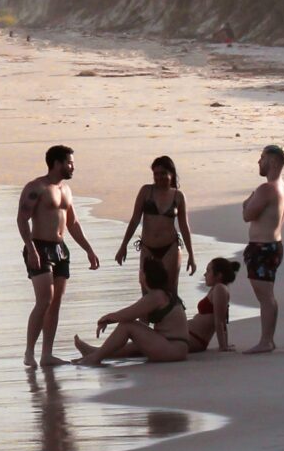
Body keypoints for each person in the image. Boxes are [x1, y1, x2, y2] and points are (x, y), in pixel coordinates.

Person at [17, 144, 101, 367]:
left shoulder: (66, 190)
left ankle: (47, 354)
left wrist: (88, 249)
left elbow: (72, 223)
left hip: (60, 249)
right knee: (43, 301)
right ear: (57, 163)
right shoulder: (37, 187)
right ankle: (29, 352)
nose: (73, 167)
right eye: (70, 163)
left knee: (55, 303)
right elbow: (22, 219)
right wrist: (31, 249)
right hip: (39, 247)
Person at [74, 256, 240, 365]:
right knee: (135, 341)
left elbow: (128, 314)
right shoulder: (160, 294)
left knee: (127, 326)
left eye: (141, 272)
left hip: (175, 348)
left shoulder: (157, 296)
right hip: (174, 345)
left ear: (146, 276)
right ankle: (96, 352)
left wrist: (106, 318)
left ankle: (95, 357)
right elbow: (140, 317)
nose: (139, 274)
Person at [111, 154, 195, 303]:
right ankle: (146, 326)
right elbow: (135, 219)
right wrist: (123, 246)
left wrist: (191, 256)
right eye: (156, 174)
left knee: (170, 293)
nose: (159, 177)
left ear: (172, 174)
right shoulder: (146, 191)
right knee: (146, 293)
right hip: (148, 247)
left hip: (171, 248)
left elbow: (184, 226)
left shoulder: (178, 196)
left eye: (163, 173)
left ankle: (171, 325)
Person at [241, 143, 284, 353]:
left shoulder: (267, 188)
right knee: (267, 294)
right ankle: (267, 339)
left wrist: (249, 200)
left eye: (262, 158)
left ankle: (266, 341)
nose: (258, 162)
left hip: (263, 247)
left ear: (273, 162)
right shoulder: (281, 186)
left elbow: (247, 214)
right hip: (273, 245)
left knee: (265, 296)